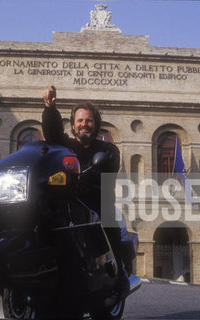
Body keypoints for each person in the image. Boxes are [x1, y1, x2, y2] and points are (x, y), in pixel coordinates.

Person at [41, 85, 129, 298]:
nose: (84, 124)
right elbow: (52, 135)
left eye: (88, 120)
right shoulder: (66, 145)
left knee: (109, 217)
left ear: (96, 124)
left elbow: (106, 176)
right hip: (67, 202)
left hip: (96, 201)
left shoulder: (108, 150)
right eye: (79, 121)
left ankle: (120, 273)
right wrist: (50, 108)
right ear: (73, 125)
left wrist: (82, 178)